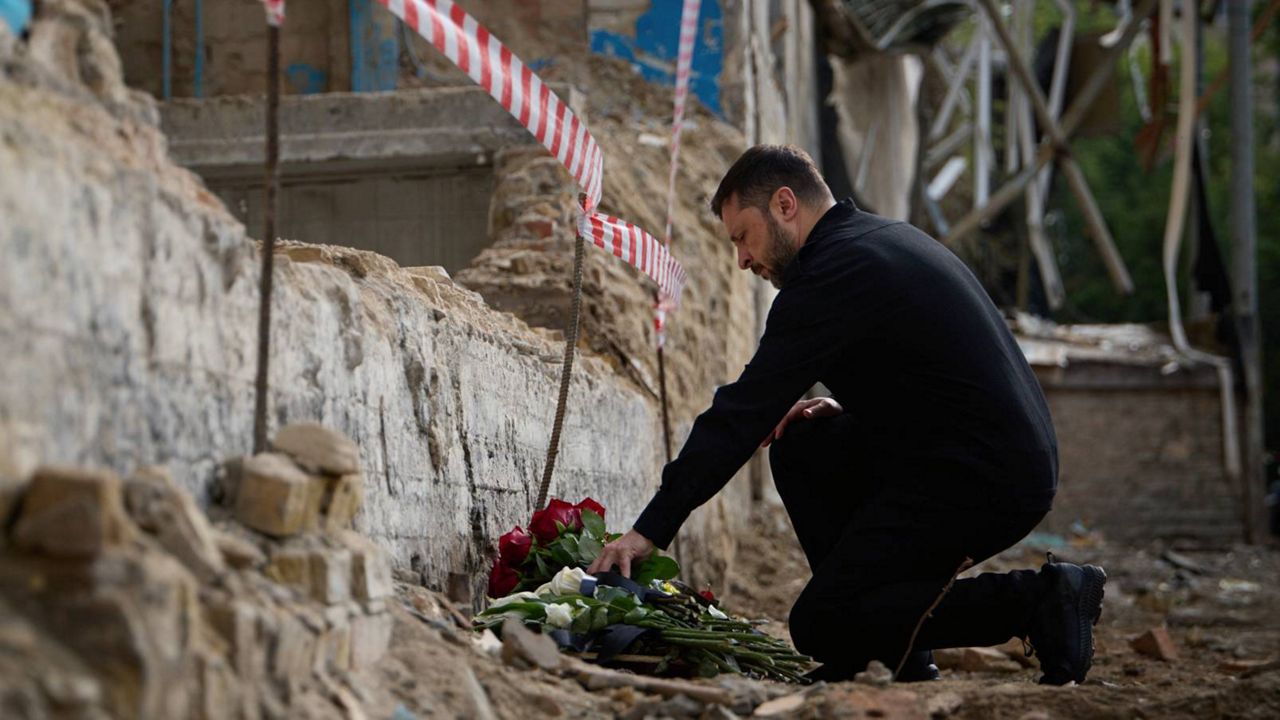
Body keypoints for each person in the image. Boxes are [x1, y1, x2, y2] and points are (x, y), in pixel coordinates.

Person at [588, 144, 1106, 685]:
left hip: (986, 476)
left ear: (785, 205)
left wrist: (649, 530)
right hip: (968, 454)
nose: (742, 259)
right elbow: (937, 372)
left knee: (823, 624)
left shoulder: (832, 273)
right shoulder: (873, 242)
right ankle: (896, 652)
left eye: (743, 236)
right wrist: (860, 407)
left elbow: (741, 413)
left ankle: (1041, 598)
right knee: (806, 443)